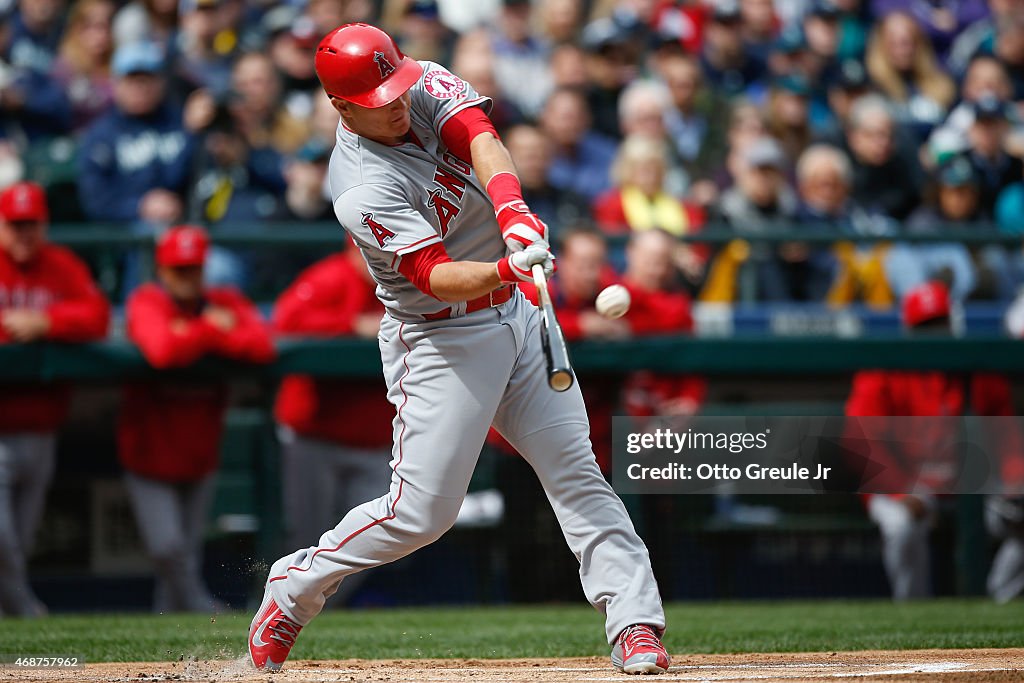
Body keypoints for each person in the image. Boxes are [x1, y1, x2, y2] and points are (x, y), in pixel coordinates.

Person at [249, 24, 670, 675]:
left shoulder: (418, 83)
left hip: (520, 317)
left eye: (397, 86)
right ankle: (295, 584)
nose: (395, 102)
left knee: (576, 473)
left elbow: (479, 136)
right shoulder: (359, 185)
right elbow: (433, 276)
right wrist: (508, 266)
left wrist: (514, 213)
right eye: (376, 97)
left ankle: (635, 622)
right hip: (441, 336)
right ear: (339, 106)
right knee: (421, 514)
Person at [120, 225, 274, 613]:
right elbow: (162, 351)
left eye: (193, 268)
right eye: (178, 269)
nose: (187, 278)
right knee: (167, 547)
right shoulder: (147, 301)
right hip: (149, 452)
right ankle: (198, 605)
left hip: (200, 451)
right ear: (162, 270)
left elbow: (261, 345)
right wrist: (211, 330)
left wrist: (193, 332)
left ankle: (163, 626)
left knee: (184, 550)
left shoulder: (225, 299)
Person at [845, 281, 1024, 600]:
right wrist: (900, 489)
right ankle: (912, 610)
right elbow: (859, 440)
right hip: (907, 483)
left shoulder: (980, 370)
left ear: (952, 323)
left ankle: (1000, 600)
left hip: (973, 486)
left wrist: (1015, 482)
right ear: (909, 329)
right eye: (925, 325)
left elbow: (1008, 441)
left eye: (939, 322)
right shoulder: (886, 369)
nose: (934, 332)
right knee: (901, 526)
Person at [0, 182, 110, 617]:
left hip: (41, 426)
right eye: (16, 225)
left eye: (32, 225)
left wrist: (46, 321)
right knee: (3, 541)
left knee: (20, 541)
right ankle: (25, 609)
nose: (25, 234)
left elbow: (96, 315)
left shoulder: (60, 265)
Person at [272, 246, 394, 560]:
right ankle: (283, 606)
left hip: (375, 440)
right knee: (307, 542)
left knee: (371, 543)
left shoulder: (403, 282)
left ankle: (322, 607)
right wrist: (351, 325)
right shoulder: (330, 277)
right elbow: (285, 320)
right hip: (316, 437)